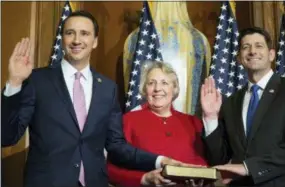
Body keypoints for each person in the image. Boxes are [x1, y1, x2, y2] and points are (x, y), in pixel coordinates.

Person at [1, 11, 186, 187]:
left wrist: (159, 160)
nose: (76, 40)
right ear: (62, 39)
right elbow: (6, 136)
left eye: (84, 34)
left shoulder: (108, 89)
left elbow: (116, 146)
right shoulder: (37, 80)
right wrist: (14, 82)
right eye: (70, 33)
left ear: (95, 41)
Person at [201, 26, 285, 186]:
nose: (252, 51)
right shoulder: (231, 102)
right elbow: (220, 159)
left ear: (272, 54)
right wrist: (211, 118)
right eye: (246, 47)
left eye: (259, 46)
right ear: (239, 58)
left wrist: (248, 168)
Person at [107, 61, 210, 187]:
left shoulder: (193, 122)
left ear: (175, 88)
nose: (157, 89)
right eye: (151, 83)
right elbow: (110, 170)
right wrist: (143, 178)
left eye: (164, 83)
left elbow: (204, 163)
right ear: (145, 89)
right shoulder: (128, 120)